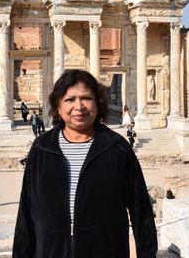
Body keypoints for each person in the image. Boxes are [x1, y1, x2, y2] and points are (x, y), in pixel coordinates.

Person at [13, 69, 157, 258]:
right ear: (58, 106)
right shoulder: (42, 148)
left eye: (86, 98)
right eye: (70, 99)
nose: (79, 106)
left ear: (97, 103)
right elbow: (26, 212)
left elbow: (141, 211)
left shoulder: (117, 148)